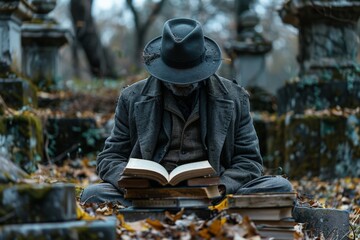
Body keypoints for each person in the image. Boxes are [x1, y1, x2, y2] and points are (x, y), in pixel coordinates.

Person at [80, 18, 293, 206]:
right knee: (92, 194)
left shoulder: (235, 97)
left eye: (189, 76)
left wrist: (221, 187)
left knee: (279, 186)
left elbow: (249, 161)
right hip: (145, 196)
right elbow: (110, 157)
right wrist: (131, 183)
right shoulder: (132, 97)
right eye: (174, 76)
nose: (182, 83)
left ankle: (207, 206)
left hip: (214, 195)